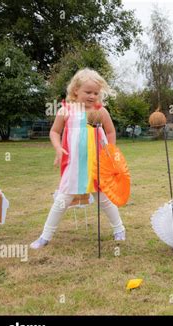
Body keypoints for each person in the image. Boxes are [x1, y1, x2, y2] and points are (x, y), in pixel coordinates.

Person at [30, 68, 126, 249]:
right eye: (88, 92)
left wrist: (112, 152)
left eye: (96, 93)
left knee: (104, 199)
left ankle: (119, 229)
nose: (92, 96)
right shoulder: (66, 111)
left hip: (98, 166)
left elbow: (111, 131)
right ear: (76, 90)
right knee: (61, 200)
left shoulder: (101, 111)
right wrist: (58, 148)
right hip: (73, 166)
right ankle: (45, 236)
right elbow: (54, 132)